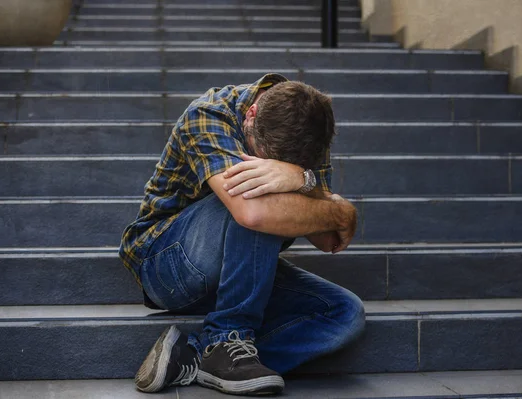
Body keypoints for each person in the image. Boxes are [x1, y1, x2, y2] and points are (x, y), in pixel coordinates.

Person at [119, 73, 365, 396]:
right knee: (258, 204)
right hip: (164, 263)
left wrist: (301, 180)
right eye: (261, 159)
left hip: (241, 274)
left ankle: (198, 355)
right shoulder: (208, 115)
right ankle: (226, 337)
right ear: (251, 115)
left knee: (346, 314)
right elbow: (253, 214)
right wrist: (338, 210)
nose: (270, 170)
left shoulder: (307, 134)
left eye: (277, 168)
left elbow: (327, 239)